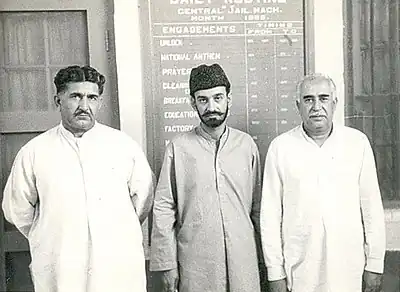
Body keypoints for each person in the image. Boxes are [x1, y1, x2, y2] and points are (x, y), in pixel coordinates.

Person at [2, 65, 154, 292]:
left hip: (115, 264)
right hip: (61, 265)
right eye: (75, 96)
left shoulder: (123, 147)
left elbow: (143, 200)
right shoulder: (35, 151)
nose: (84, 106)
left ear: (100, 102)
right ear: (58, 100)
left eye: (92, 97)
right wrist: (52, 231)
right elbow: (17, 209)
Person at [260, 73, 386, 292]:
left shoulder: (357, 143)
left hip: (348, 270)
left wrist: (375, 264)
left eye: (323, 98)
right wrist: (275, 273)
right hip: (299, 271)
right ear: (298, 105)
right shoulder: (280, 148)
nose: (316, 106)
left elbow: (372, 208)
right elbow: (270, 216)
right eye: (308, 99)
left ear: (335, 103)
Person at [149, 63, 265, 292]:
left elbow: (259, 207)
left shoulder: (246, 146)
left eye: (218, 98)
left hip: (244, 262)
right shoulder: (178, 148)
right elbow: (163, 209)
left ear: (229, 99)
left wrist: (266, 262)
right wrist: (167, 265)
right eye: (203, 100)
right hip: (196, 265)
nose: (212, 106)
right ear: (193, 102)